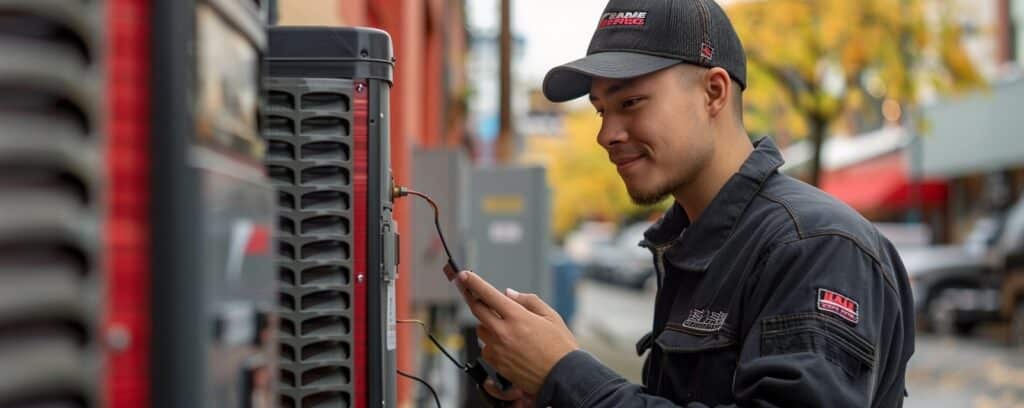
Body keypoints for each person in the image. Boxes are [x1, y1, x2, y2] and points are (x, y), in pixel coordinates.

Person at [453, 0, 915, 406]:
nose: (605, 134)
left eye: (631, 102)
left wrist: (567, 371)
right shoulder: (694, 242)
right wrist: (557, 388)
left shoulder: (815, 245)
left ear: (714, 92)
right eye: (600, 110)